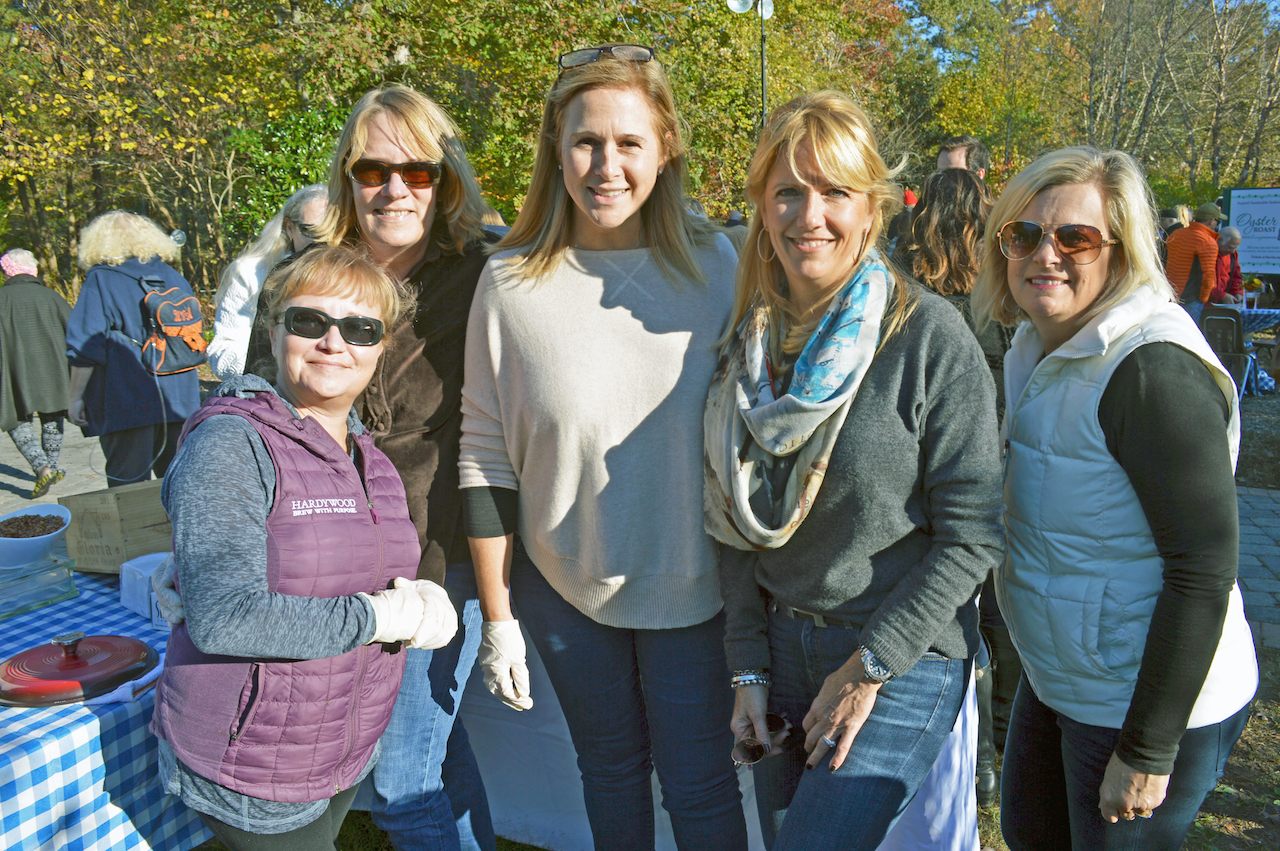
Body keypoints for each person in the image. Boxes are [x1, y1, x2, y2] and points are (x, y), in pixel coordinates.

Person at [459, 44, 748, 851]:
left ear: (666, 150)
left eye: (629, 143)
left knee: (700, 781)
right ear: (557, 147)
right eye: (587, 141)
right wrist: (497, 616)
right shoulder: (509, 281)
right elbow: (484, 451)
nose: (607, 165)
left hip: (696, 589)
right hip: (563, 585)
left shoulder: (720, 268)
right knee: (611, 772)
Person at [705, 90, 1004, 850]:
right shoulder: (746, 350)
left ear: (871, 208)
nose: (811, 216)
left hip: (901, 654)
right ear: (761, 210)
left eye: (835, 192)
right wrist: (746, 667)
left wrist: (867, 667)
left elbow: (972, 535)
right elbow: (732, 521)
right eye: (788, 192)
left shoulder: (931, 337)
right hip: (778, 647)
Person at [971, 146, 1257, 849]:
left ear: (1123, 249)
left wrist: (1148, 749)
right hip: (1063, 673)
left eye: (1076, 237)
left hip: (1147, 700)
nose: (1047, 253)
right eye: (1025, 234)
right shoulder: (1037, 346)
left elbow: (1203, 568)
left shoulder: (1149, 369)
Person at [151, 245, 458, 851]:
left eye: (360, 328)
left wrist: (417, 594)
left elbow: (353, 567)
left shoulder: (369, 457)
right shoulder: (233, 443)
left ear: (380, 348)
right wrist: (379, 617)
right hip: (251, 766)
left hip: (338, 748)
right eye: (309, 321)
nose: (333, 342)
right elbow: (225, 620)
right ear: (275, 331)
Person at [311, 84, 499, 851]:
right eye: (374, 169)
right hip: (333, 561)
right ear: (348, 179)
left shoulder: (485, 275)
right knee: (436, 755)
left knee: (399, 776)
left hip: (441, 555)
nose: (394, 189)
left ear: (444, 179)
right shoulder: (310, 279)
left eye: (417, 171)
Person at [891, 166, 1019, 808]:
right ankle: (989, 760)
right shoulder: (999, 292)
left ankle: (976, 759)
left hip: (921, 468)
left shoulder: (904, 287)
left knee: (950, 607)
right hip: (987, 466)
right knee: (992, 618)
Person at [65, 211, 200, 485]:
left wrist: (75, 397)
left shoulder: (102, 279)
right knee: (181, 486)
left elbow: (85, 346)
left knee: (127, 492)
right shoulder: (173, 276)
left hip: (126, 400)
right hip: (181, 400)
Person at [208, 184, 328, 379]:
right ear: (290, 227)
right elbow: (223, 349)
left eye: (334, 231)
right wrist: (273, 371)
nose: (324, 242)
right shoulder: (251, 273)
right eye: (312, 232)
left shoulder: (357, 277)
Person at [0, 248, 71, 498]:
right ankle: (51, 466)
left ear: (6, 272)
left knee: (17, 419)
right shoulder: (52, 297)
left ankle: (42, 467)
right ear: (34, 269)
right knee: (52, 416)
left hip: (12, 371)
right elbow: (74, 333)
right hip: (52, 368)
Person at [1165, 201, 1227, 324]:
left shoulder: (1176, 234)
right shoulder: (1207, 241)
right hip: (1191, 298)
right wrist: (1203, 298)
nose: (1216, 224)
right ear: (1211, 221)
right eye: (1217, 221)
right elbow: (1208, 274)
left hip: (1170, 293)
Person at [1213, 226, 1244, 304]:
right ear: (1220, 240)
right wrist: (1222, 295)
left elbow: (1235, 276)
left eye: (1235, 248)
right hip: (1209, 300)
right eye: (1230, 247)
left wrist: (1237, 292)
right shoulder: (1210, 252)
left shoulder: (1233, 255)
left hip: (1224, 298)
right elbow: (1205, 280)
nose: (1233, 251)